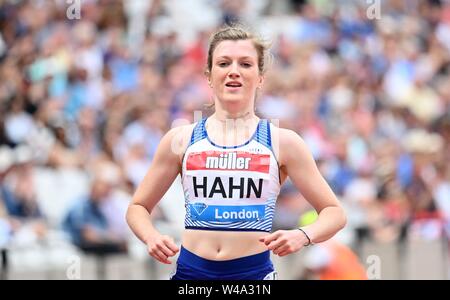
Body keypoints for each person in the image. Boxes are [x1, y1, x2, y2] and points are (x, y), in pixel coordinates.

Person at [126, 24, 346, 280]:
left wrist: (303, 235)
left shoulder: (282, 142)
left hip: (252, 275)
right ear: (208, 75)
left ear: (260, 77)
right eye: (223, 63)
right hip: (191, 276)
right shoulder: (181, 139)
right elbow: (138, 206)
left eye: (245, 64)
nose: (234, 71)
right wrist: (151, 237)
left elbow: (334, 212)